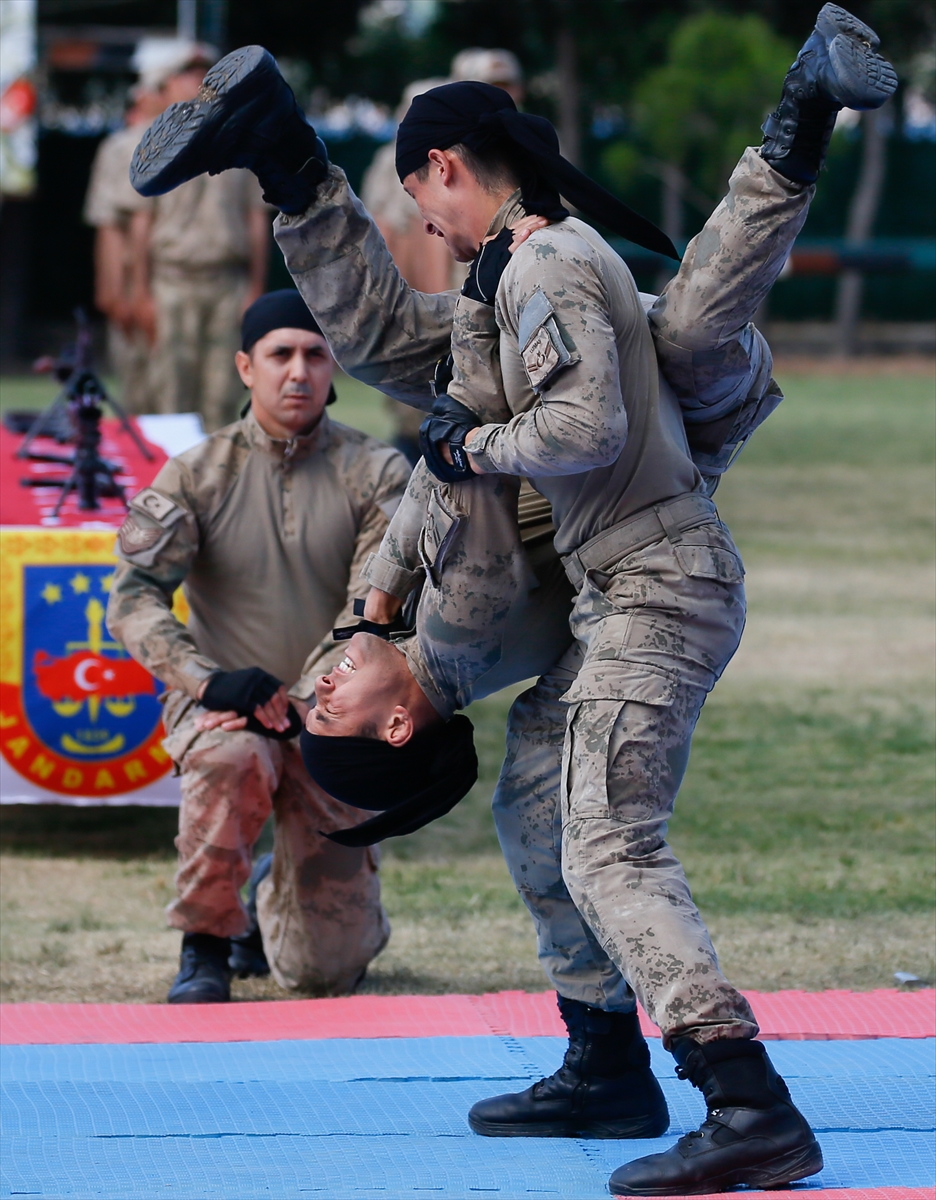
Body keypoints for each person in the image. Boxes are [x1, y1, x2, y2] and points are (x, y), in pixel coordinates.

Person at [128, 5, 895, 1191]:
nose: (319, 675)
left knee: (636, 334)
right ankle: (609, 1059)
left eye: (428, 205)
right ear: (394, 722)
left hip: (628, 500)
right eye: (331, 701)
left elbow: (443, 485)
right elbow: (451, 489)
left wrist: (379, 595)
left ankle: (732, 1095)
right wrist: (445, 486)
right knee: (550, 823)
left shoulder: (532, 275)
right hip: (617, 505)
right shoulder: (462, 624)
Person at [105, 290, 411, 1004]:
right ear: (247, 366)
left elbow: (373, 608)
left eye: (314, 353)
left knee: (324, 974)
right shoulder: (196, 473)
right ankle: (206, 945)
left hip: (335, 715)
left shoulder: (379, 474)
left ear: (334, 365)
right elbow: (132, 596)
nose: (297, 372)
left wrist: (306, 697)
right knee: (230, 756)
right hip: (222, 710)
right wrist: (206, 682)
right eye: (280, 355)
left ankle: (281, 891)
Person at [361, 50, 525, 463]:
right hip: (456, 293)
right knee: (431, 420)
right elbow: (410, 236)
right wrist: (440, 313)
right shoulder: (434, 155)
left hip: (510, 296)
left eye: (507, 85)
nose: (501, 94)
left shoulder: (529, 145)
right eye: (490, 85)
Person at [128, 44, 271, 430]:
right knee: (168, 392)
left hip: (227, 278)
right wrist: (141, 292)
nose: (198, 81)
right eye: (187, 74)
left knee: (223, 394)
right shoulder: (150, 145)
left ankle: (217, 485)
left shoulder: (241, 140)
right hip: (171, 278)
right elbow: (142, 223)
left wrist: (255, 289)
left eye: (204, 73)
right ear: (166, 85)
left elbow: (256, 218)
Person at [82, 39, 184, 412]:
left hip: (175, 284)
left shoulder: (188, 143)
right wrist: (113, 291)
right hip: (139, 281)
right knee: (143, 394)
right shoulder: (125, 146)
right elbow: (110, 223)